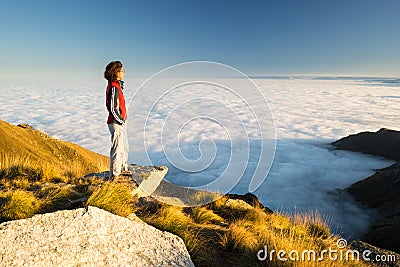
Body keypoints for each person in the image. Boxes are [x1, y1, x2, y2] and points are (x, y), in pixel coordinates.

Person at [104, 61, 130, 180]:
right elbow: (113, 108)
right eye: (121, 70)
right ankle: (115, 174)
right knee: (117, 148)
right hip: (116, 122)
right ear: (116, 72)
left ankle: (123, 169)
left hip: (117, 122)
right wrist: (120, 120)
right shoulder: (114, 87)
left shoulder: (115, 85)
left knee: (122, 147)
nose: (124, 72)